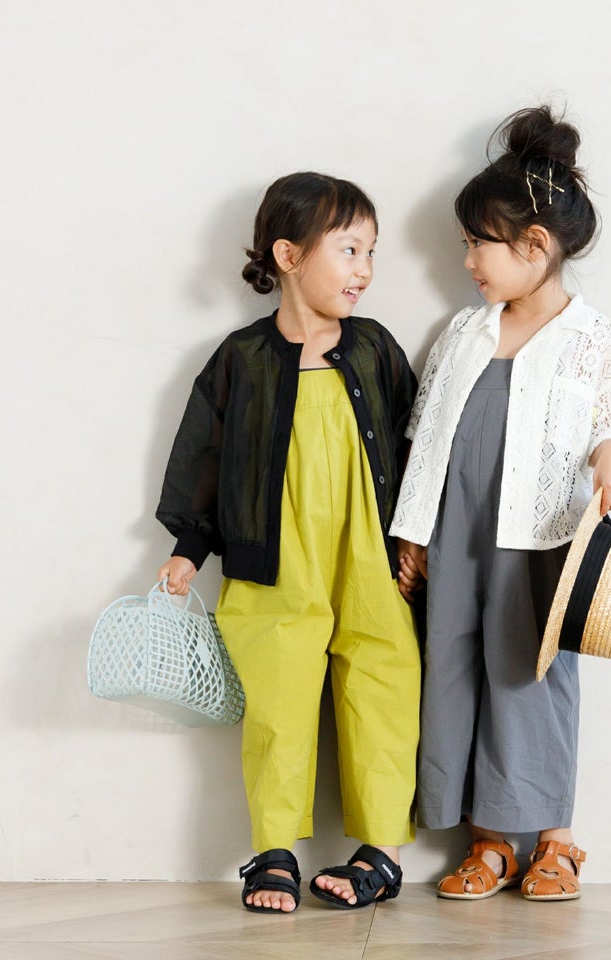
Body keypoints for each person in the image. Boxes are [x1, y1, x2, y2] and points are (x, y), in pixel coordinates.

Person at [391, 107, 611, 902]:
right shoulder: (465, 331)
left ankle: (555, 841)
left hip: (537, 540)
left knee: (531, 676)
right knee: (454, 668)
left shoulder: (593, 338)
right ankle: (489, 841)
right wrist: (413, 531)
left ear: (535, 245)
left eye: (479, 243)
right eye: (465, 243)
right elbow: (426, 435)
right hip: (457, 534)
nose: (467, 259)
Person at [155, 172, 420, 913]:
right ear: (289, 255)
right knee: (279, 694)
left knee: (384, 681)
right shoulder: (241, 358)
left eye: (372, 251)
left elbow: (420, 445)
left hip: (371, 553)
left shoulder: (375, 348)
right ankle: (274, 848)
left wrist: (418, 539)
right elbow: (207, 458)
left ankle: (383, 850)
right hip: (272, 557)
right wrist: (189, 546)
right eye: (349, 249)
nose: (365, 268)